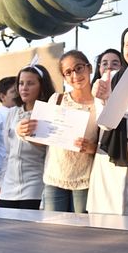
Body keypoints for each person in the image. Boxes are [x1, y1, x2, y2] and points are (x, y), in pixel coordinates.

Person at [19, 50, 99, 213]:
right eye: (68, 72)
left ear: (89, 68)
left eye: (79, 68)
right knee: (53, 230)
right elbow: (43, 139)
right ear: (64, 77)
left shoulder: (100, 103)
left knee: (82, 231)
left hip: (85, 180)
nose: (75, 75)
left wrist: (91, 148)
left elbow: (107, 145)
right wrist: (24, 132)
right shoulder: (57, 99)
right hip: (54, 178)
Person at [88, 25, 128, 216]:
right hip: (108, 165)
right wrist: (103, 98)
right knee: (105, 226)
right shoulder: (110, 79)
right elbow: (105, 124)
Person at [0, 65, 54, 209]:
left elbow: (50, 152)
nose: (24, 88)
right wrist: (1, 184)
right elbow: (7, 154)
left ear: (42, 86)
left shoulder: (49, 112)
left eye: (30, 83)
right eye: (21, 83)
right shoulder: (12, 113)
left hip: (35, 186)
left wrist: (29, 135)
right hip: (8, 187)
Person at [0, 76, 17, 189]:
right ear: (2, 96)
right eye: (13, 91)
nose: (18, 93)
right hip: (0, 174)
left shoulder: (21, 114)